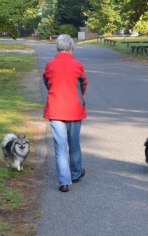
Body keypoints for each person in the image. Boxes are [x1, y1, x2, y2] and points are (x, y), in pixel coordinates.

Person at [43, 34, 88, 192]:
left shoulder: (49, 65)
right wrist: (78, 97)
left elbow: (47, 82)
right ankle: (75, 174)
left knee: (60, 147)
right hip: (74, 110)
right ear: (71, 48)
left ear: (57, 48)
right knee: (74, 145)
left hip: (55, 109)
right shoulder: (77, 65)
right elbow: (84, 83)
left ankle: (64, 181)